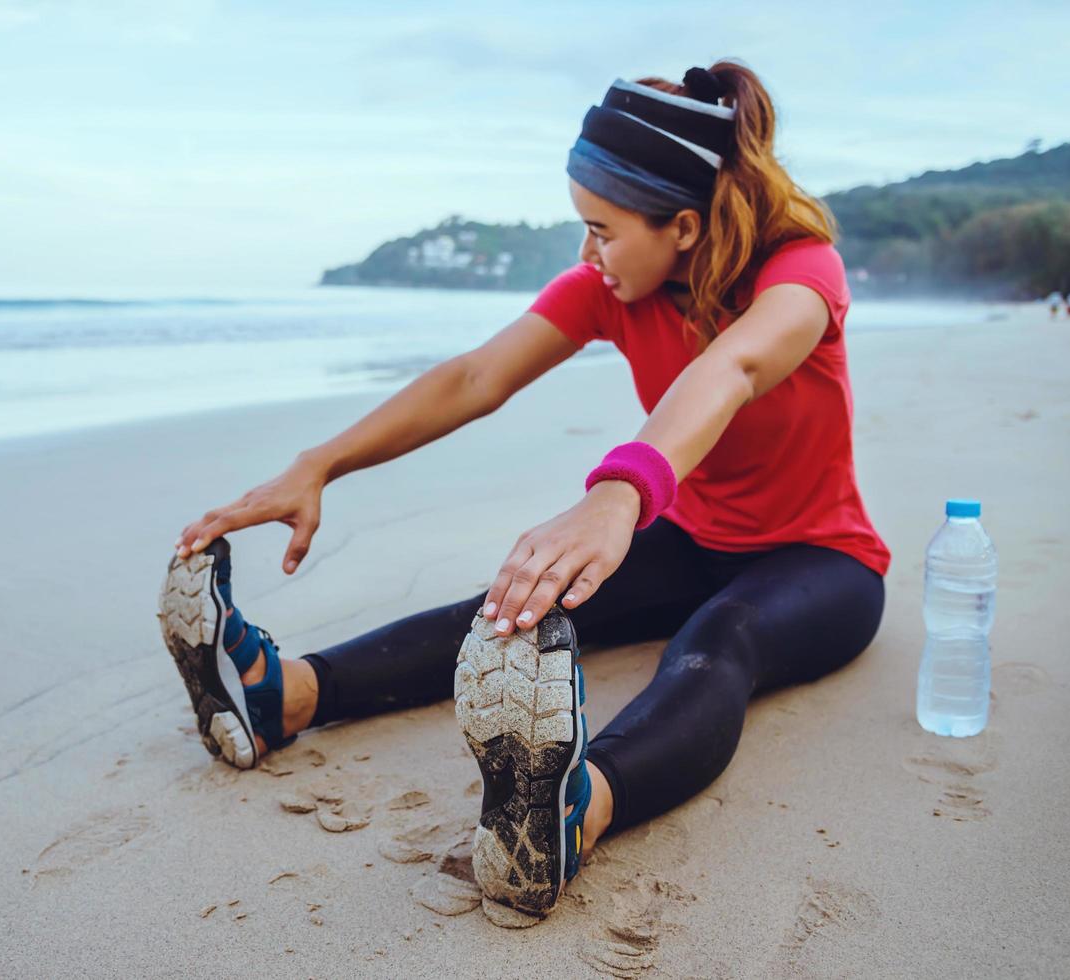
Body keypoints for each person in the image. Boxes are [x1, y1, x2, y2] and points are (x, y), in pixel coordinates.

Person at [158, 60, 889, 922]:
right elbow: (475, 377)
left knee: (720, 637)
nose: (588, 252)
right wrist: (319, 464)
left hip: (823, 560)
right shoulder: (615, 288)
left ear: (683, 226)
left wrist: (620, 493)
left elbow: (733, 367)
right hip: (695, 540)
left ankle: (577, 814)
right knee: (513, 607)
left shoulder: (802, 273)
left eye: (602, 229)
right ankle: (289, 693)